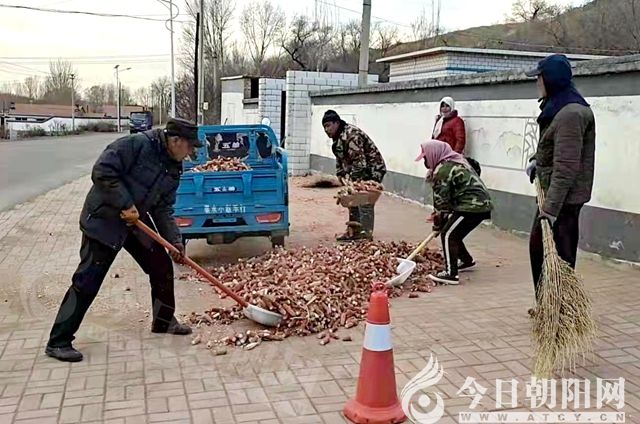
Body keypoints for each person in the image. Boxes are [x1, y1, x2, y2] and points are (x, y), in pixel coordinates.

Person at [45, 118, 203, 362]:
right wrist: (125, 203)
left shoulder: (174, 168)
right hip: (105, 220)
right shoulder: (137, 145)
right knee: (87, 280)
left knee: (161, 265)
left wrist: (174, 242)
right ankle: (58, 341)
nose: (191, 152)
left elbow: (163, 208)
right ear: (175, 141)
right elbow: (102, 171)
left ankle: (163, 321)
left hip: (134, 223)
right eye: (190, 146)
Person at [524, 54, 595, 299]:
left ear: (551, 79)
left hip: (563, 201)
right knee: (540, 251)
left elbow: (566, 167)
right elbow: (553, 146)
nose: (537, 82)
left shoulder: (570, 114)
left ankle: (559, 307)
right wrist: (538, 160)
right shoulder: (558, 107)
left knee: (559, 258)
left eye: (540, 77)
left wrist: (550, 210)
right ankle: (548, 306)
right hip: (554, 196)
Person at [416, 140, 493, 285]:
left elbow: (442, 204)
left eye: (425, 157)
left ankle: (451, 274)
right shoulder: (453, 163)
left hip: (471, 206)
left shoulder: (443, 170)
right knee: (454, 233)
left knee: (448, 234)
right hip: (479, 205)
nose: (425, 161)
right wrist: (441, 222)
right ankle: (466, 261)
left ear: (434, 154)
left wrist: (438, 225)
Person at [322, 110, 386, 241]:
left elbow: (360, 163)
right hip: (357, 169)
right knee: (352, 200)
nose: (326, 130)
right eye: (324, 127)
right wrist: (340, 174)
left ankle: (365, 235)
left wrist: (353, 183)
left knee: (364, 200)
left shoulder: (351, 135)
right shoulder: (338, 137)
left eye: (328, 125)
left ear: (337, 123)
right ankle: (354, 232)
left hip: (372, 169)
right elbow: (340, 157)